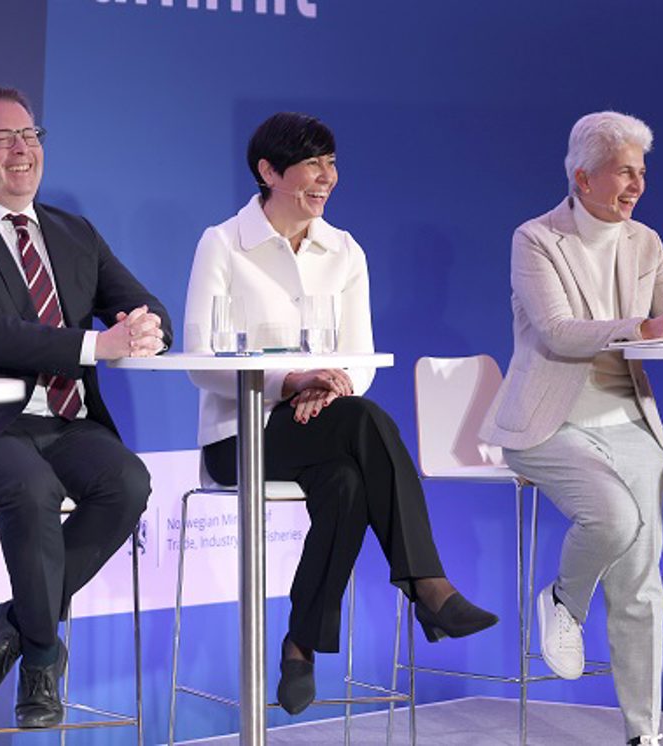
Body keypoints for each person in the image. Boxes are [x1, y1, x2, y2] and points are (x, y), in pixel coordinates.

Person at [182, 111, 498, 716]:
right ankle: (426, 584)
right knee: (366, 421)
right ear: (268, 171)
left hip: (325, 426)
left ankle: (301, 646)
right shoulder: (222, 244)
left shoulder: (345, 250)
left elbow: (362, 356)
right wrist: (292, 381)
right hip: (241, 436)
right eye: (311, 164)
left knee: (349, 481)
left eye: (331, 163)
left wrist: (331, 386)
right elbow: (201, 363)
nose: (326, 176)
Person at [0, 87, 170, 727]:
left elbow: (145, 306)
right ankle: (43, 664)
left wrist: (146, 329)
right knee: (30, 486)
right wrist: (95, 345)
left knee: (128, 482)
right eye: (2, 138)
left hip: (67, 421)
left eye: (29, 135)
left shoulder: (74, 233)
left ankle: (13, 623)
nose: (22, 149)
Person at [481, 111, 663, 746]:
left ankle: (645, 734)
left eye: (642, 172)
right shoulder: (536, 238)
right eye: (624, 172)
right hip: (547, 422)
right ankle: (565, 601)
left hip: (630, 420)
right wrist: (641, 327)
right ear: (583, 177)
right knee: (612, 518)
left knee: (641, 584)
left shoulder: (645, 242)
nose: (637, 185)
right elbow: (557, 331)